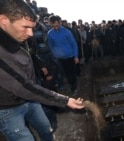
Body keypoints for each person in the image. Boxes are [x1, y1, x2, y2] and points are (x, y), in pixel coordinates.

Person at [0, 1, 85, 141]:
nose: (31, 33)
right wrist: (64, 100)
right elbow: (23, 86)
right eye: (26, 27)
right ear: (4, 20)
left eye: (32, 28)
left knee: (46, 129)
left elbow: (31, 54)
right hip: (8, 109)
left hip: (31, 99)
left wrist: (40, 65)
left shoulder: (17, 35)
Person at [47, 15, 79, 95]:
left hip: (70, 56)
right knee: (67, 73)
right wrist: (56, 55)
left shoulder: (67, 31)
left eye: (57, 25)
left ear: (60, 22)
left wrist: (76, 56)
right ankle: (71, 85)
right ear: (51, 24)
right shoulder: (50, 34)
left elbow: (73, 44)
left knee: (72, 73)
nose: (56, 27)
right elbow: (51, 46)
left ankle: (74, 87)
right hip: (60, 58)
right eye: (54, 26)